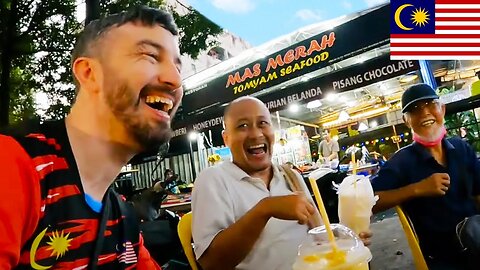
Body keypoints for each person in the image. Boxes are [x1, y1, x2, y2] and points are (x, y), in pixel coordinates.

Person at [0, 6, 183, 269]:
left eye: (178, 66)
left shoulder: (122, 220)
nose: (175, 79)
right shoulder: (14, 166)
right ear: (89, 73)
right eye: (150, 56)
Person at [191, 96, 371, 270]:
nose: (255, 133)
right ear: (226, 138)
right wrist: (265, 209)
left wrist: (347, 243)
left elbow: (320, 237)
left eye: (262, 123)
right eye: (242, 126)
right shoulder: (213, 179)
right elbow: (211, 263)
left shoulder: (290, 176)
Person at [371, 83, 480, 269]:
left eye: (430, 104)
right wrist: (417, 189)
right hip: (444, 258)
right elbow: (370, 201)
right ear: (406, 121)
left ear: (442, 109)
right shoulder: (402, 162)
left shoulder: (461, 148)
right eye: (414, 110)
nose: (424, 113)